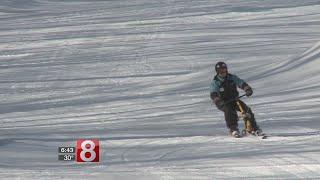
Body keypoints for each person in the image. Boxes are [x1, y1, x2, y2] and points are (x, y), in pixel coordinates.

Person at [209, 61, 262, 137]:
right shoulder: (215, 82)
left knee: (246, 110)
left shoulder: (232, 77)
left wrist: (247, 89)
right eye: (221, 70)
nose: (223, 72)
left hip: (234, 100)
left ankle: (253, 128)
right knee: (229, 110)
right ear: (217, 72)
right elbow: (213, 93)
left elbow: (241, 83)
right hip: (223, 102)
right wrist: (217, 100)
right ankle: (233, 129)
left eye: (224, 69)